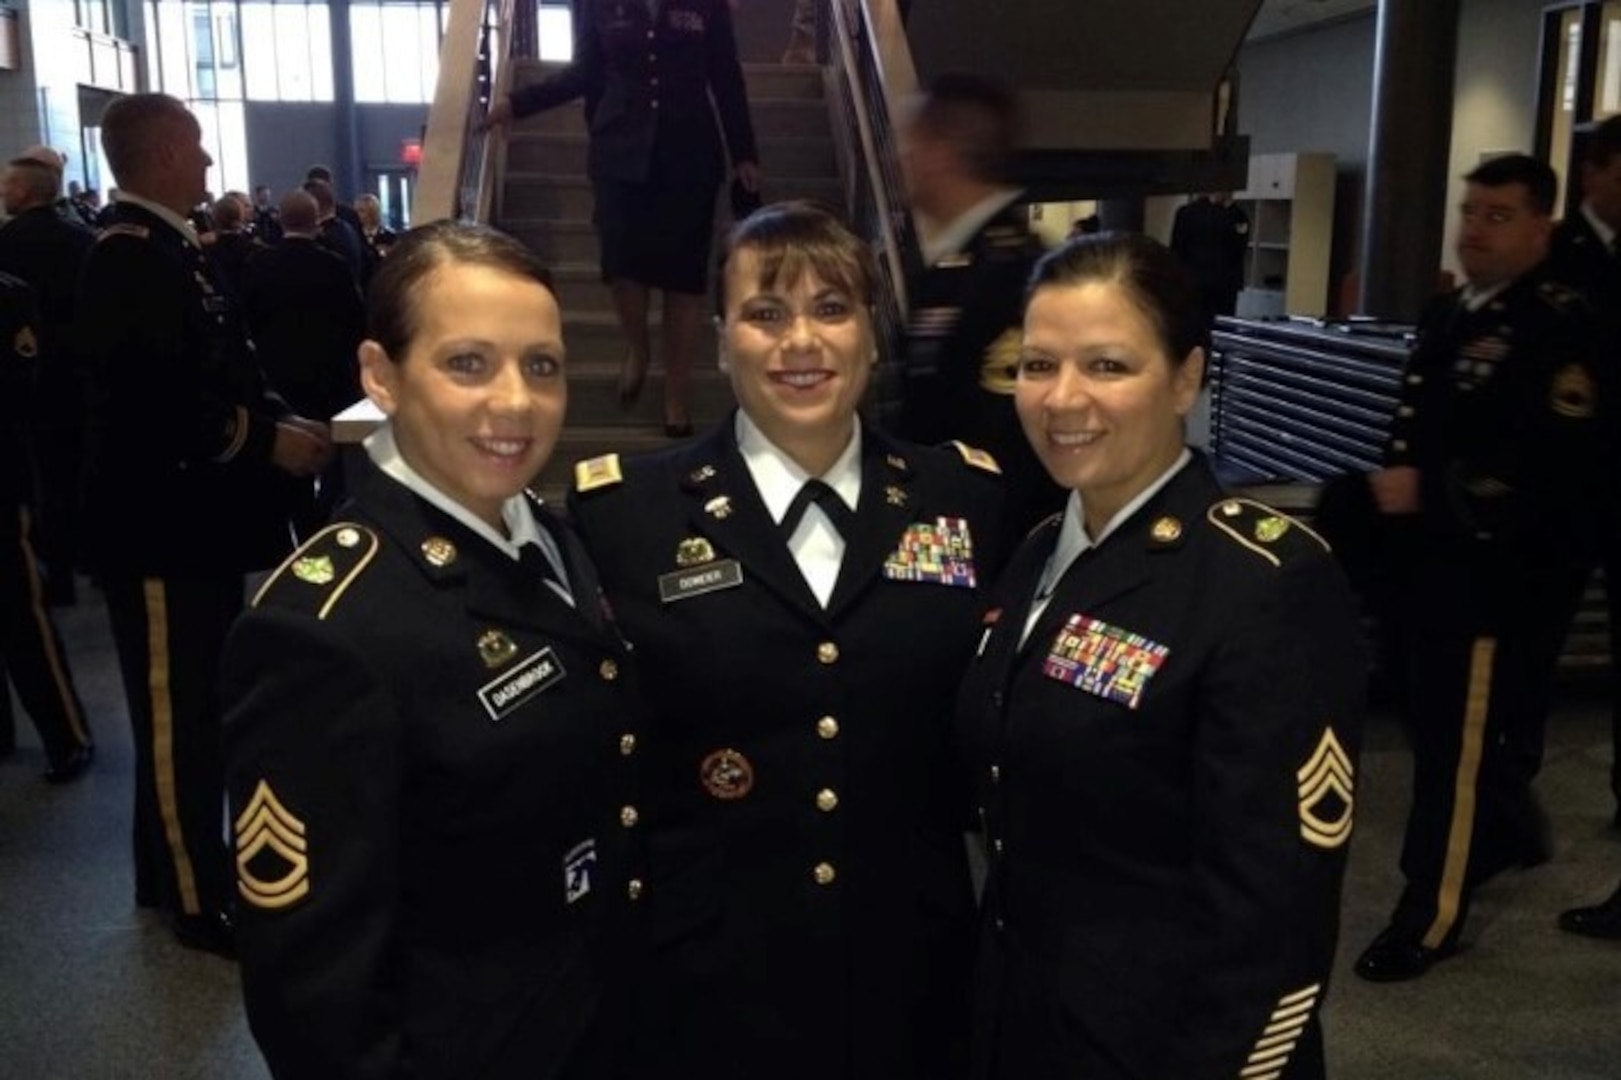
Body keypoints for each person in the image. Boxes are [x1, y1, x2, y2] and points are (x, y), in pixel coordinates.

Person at [568, 201, 1004, 1080]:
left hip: (913, 971)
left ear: (873, 337)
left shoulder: (965, 499)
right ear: (722, 339)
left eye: (832, 309)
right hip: (708, 974)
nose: (800, 341)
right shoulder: (624, 517)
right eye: (766, 314)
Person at [221, 220, 643, 1079]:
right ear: (381, 375)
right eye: (467, 364)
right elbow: (314, 992)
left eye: (541, 365)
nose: (516, 402)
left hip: (589, 1019)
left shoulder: (550, 537)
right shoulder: (323, 627)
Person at [956, 232, 1364, 1079]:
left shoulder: (1261, 583)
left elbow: (1275, 926)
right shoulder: (1037, 550)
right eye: (1037, 365)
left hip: (1170, 1046)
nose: (1062, 399)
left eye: (1107, 366)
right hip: (1022, 1023)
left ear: (1185, 378)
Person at [77, 92, 332, 957]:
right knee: (178, 714)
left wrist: (287, 423)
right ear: (157, 157)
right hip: (159, 530)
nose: (209, 164)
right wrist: (266, 443)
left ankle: (166, 872)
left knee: (190, 709)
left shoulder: (171, 253)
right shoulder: (128, 259)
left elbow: (223, 369)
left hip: (193, 526)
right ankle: (196, 895)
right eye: (194, 147)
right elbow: (160, 406)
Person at [1353, 154, 1611, 982]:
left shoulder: (1557, 326)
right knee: (1432, 725)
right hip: (1429, 566)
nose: (1475, 228)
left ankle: (1429, 915)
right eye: (1469, 210)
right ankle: (1511, 828)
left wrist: (1429, 486)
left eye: (1498, 215)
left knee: (1452, 755)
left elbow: (1551, 462)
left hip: (1493, 576)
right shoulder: (1451, 310)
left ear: (1541, 226)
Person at [485, 0, 760, 437]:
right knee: (621, 267)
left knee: (684, 280)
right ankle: (638, 346)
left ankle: (676, 394)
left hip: (689, 153)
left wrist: (744, 151)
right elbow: (585, 72)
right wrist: (518, 103)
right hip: (619, 150)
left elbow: (725, 74)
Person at [896, 74, 1063, 539]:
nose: (904, 160)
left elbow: (1009, 438)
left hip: (987, 534)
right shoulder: (958, 260)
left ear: (943, 152)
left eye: (914, 145)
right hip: (948, 518)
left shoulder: (1016, 271)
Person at [1549, 114, 1621, 832]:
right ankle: (1506, 803)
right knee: (1528, 650)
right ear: (1595, 172)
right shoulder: (1556, 257)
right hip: (1563, 492)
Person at [0, 268, 94, 782]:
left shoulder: (9, 295)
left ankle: (66, 737)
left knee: (20, 615)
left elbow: (20, 386)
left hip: (2, 480)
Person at [0, 151, 95, 605]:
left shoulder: (5, 244)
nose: (2, 192)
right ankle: (94, 560)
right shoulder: (84, 240)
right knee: (85, 469)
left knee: (45, 479)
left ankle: (56, 574)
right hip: (82, 376)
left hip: (29, 382)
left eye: (6, 185)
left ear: (25, 190)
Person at [1170, 192, 1250, 321]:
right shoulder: (1188, 213)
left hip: (1223, 285)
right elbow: (1177, 249)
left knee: (1222, 325)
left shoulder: (1238, 215)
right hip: (1196, 282)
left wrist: (1229, 208)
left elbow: (1239, 248)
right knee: (1196, 323)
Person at [354, 192, 398, 264]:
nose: (357, 214)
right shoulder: (354, 235)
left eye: (362, 211)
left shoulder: (389, 236)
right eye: (356, 211)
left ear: (373, 212)